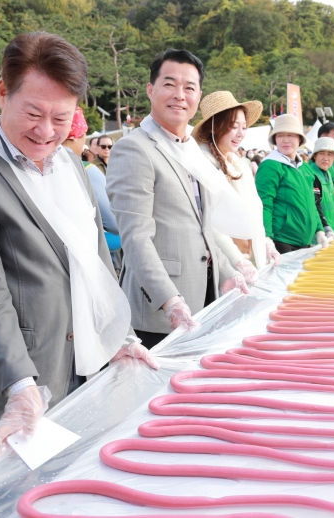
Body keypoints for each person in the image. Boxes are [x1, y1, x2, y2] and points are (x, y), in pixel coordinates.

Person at [0, 32, 157, 457]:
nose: (46, 131)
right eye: (33, 112)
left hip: (85, 364)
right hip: (18, 381)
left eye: (61, 118)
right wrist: (20, 384)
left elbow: (93, 260)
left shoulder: (72, 164)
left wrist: (120, 336)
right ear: (3, 91)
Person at [107, 49, 252, 350]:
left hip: (206, 298)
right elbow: (136, 237)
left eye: (189, 88)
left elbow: (205, 225)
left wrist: (228, 273)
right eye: (169, 84)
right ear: (151, 89)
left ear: (199, 96)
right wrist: (168, 299)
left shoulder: (192, 151)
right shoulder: (134, 149)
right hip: (159, 310)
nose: (179, 95)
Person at [191, 90, 280, 270]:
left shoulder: (239, 166)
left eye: (244, 127)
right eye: (233, 126)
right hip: (220, 266)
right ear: (214, 127)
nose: (240, 134)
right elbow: (208, 223)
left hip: (247, 258)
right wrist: (236, 260)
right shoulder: (202, 165)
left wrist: (265, 242)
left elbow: (253, 214)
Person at [255, 114, 329, 254]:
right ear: (275, 139)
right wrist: (267, 237)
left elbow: (312, 203)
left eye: (291, 135)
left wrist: (319, 230)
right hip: (282, 241)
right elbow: (264, 203)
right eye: (280, 135)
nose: (286, 140)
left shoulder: (305, 167)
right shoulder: (270, 165)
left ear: (299, 139)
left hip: (305, 241)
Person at [61, 108, 121, 258]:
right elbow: (115, 222)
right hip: (84, 255)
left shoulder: (37, 165)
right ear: (75, 137)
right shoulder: (87, 170)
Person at [303, 137, 334, 236]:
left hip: (331, 231)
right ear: (315, 156)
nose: (325, 158)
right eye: (321, 153)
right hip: (318, 235)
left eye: (329, 154)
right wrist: (325, 226)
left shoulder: (328, 174)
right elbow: (314, 205)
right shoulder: (311, 175)